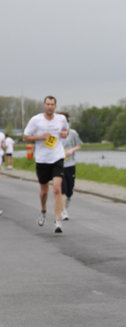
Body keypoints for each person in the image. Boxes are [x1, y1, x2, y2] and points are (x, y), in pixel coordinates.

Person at [23, 96, 69, 233]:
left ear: (55, 106)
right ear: (44, 105)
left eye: (52, 104)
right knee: (44, 191)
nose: (50, 106)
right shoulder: (36, 120)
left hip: (57, 157)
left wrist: (64, 133)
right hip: (42, 159)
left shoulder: (61, 119)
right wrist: (40, 137)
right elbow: (25, 137)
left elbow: (66, 131)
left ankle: (57, 220)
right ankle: (43, 210)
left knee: (57, 189)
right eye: (47, 104)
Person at [57, 112, 83, 221]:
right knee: (63, 188)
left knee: (70, 190)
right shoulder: (54, 133)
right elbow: (48, 146)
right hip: (58, 164)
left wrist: (72, 150)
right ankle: (63, 211)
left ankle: (67, 201)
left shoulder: (73, 133)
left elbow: (79, 145)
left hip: (70, 164)